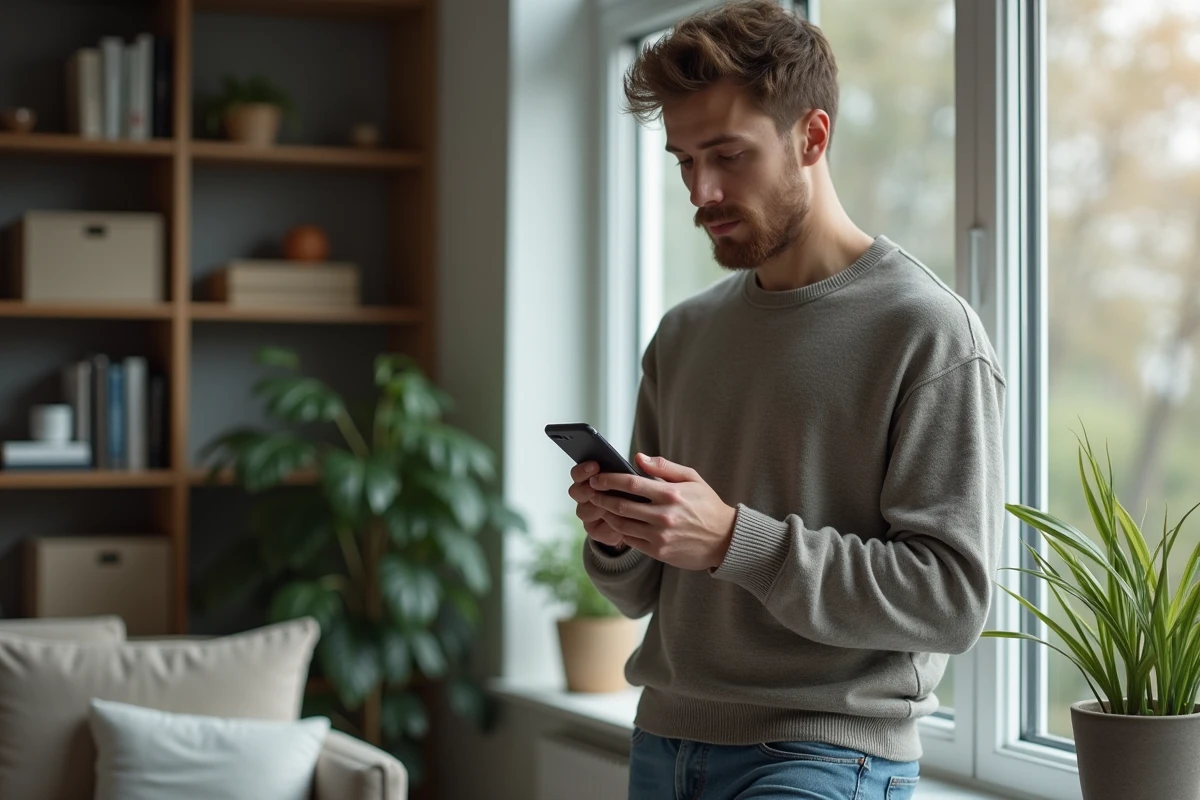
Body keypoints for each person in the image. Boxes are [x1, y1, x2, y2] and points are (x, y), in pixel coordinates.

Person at [567, 2, 1006, 798]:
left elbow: (951, 600)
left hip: (828, 754)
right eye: (684, 160)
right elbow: (637, 591)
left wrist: (737, 538)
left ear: (812, 137)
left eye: (729, 155)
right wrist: (618, 533)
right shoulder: (684, 334)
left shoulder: (929, 333)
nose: (702, 190)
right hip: (665, 740)